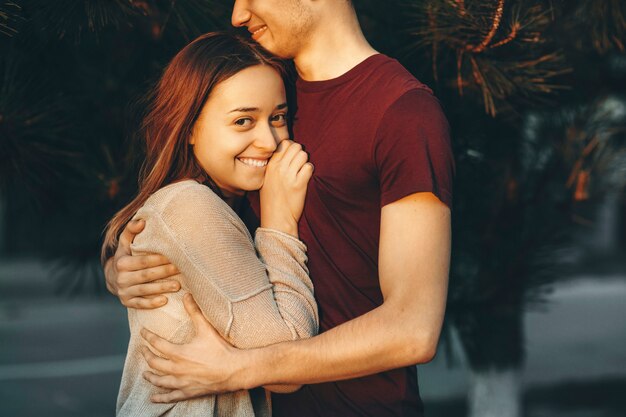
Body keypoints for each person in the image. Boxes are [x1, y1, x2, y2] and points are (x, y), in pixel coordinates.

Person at [104, 0, 455, 415]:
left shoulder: (402, 111)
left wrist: (242, 368)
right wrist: (124, 265)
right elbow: (192, 212)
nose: (238, 15)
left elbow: (413, 329)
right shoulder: (264, 86)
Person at [101, 31, 319, 416]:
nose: (269, 140)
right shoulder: (191, 206)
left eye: (278, 117)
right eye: (243, 121)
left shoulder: (210, 203)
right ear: (190, 129)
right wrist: (280, 223)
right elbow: (287, 362)